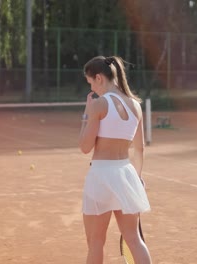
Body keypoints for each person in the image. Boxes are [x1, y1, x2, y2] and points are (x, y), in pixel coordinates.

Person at [78, 55, 152, 264]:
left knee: (95, 242)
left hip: (101, 176)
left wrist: (86, 114)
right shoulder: (136, 106)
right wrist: (137, 178)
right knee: (134, 240)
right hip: (126, 174)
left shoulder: (99, 104)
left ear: (99, 78)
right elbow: (140, 149)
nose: (92, 88)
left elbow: (85, 147)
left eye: (91, 82)